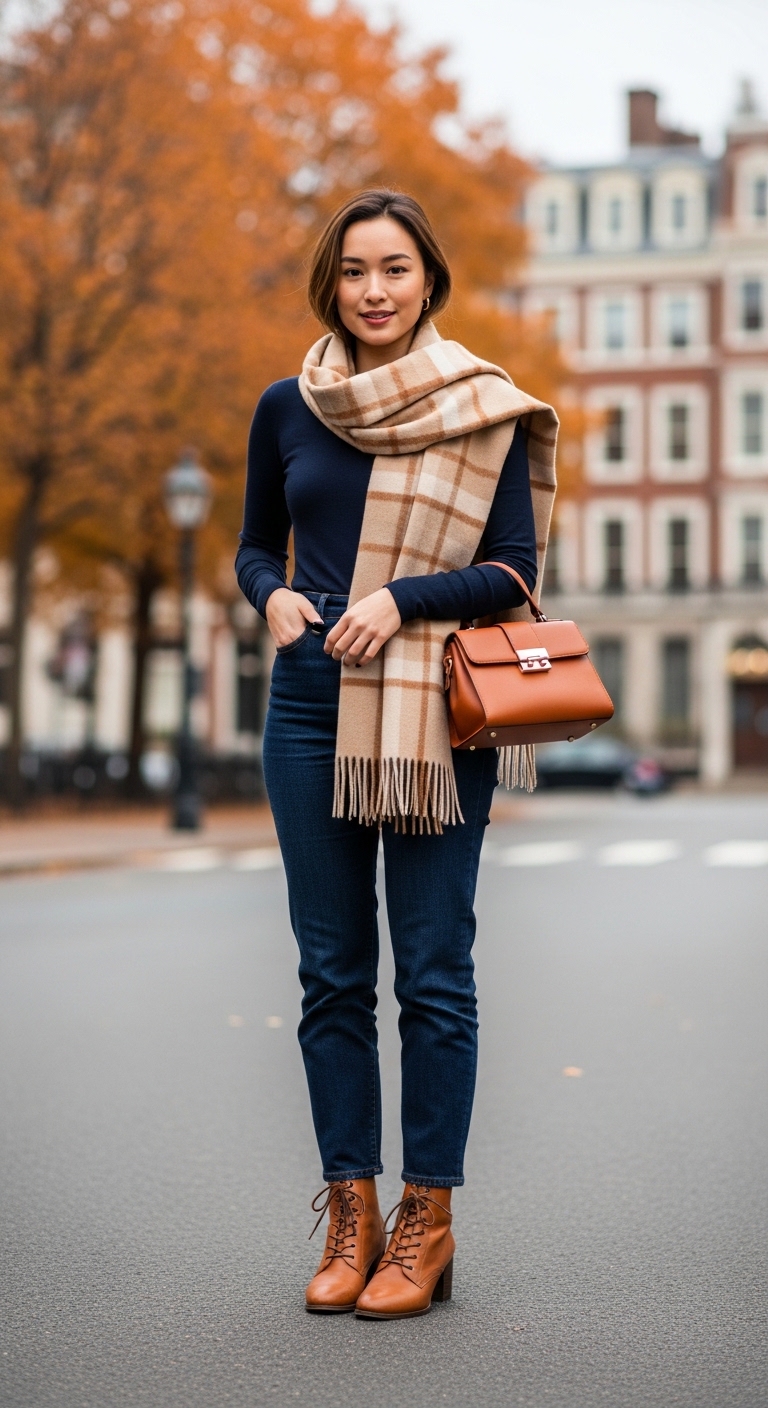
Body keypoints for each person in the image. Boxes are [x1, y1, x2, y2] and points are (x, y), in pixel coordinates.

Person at [236, 189, 557, 1320]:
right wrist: (273, 597)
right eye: (355, 270)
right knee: (330, 977)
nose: (374, 290)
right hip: (308, 705)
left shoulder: (481, 406)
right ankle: (350, 1209)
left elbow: (514, 569)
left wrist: (401, 598)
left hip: (432, 714)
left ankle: (428, 1217)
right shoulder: (288, 405)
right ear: (331, 283)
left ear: (429, 282)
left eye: (396, 269)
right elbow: (254, 545)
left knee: (430, 973)